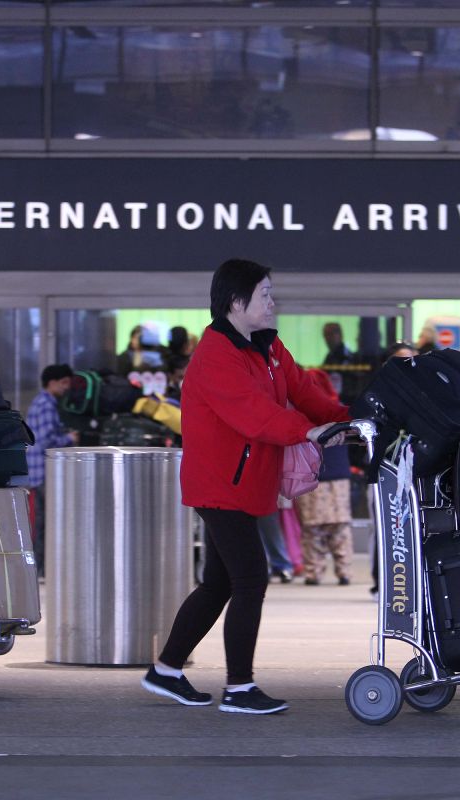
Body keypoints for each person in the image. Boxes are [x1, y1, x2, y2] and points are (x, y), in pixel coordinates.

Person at [142, 258, 349, 715]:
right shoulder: (216, 353)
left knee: (218, 582)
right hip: (219, 484)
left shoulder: (269, 349)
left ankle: (167, 670)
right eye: (266, 295)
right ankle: (239, 687)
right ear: (237, 303)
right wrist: (307, 431)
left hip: (242, 483)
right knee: (250, 576)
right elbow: (252, 412)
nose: (273, 303)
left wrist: (343, 420)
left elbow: (306, 392)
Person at [295, 370, 353, 587]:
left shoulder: (303, 411)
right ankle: (344, 572)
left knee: (313, 528)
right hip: (339, 475)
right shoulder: (338, 408)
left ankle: (313, 572)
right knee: (340, 527)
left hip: (311, 475)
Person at [25, 364, 81, 574]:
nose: (67, 387)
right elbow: (47, 440)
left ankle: (39, 568)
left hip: (36, 471)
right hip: (45, 472)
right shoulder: (47, 404)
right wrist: (70, 438)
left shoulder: (39, 401)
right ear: (53, 382)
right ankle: (44, 568)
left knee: (40, 523)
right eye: (64, 382)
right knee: (47, 523)